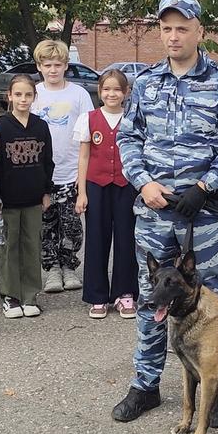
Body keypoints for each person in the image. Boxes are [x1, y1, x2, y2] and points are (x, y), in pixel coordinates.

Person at [111, 0, 218, 423]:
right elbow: (128, 138)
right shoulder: (147, 83)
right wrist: (144, 182)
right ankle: (146, 384)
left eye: (182, 28)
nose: (173, 36)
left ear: (199, 31)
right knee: (152, 298)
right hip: (155, 212)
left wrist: (206, 185)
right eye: (166, 28)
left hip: (204, 215)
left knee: (211, 305)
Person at [31, 39, 94, 293]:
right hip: (43, 174)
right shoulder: (33, 93)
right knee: (47, 224)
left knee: (70, 224)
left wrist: (84, 178)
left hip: (71, 171)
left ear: (66, 66)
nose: (53, 70)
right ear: (39, 66)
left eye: (58, 65)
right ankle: (52, 269)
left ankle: (69, 266)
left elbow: (89, 131)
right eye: (47, 65)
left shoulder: (78, 94)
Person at [75, 68, 138, 319]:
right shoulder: (88, 118)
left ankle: (125, 293)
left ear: (126, 93)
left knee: (126, 240)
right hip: (96, 186)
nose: (111, 94)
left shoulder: (132, 119)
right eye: (106, 89)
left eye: (117, 89)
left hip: (126, 186)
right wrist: (81, 192)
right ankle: (97, 296)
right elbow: (83, 157)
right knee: (97, 240)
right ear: (99, 92)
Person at [0, 74, 54, 319]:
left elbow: (47, 161)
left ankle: (30, 295)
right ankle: (11, 296)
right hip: (7, 200)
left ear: (34, 97)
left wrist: (47, 191)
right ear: (9, 96)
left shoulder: (40, 126)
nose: (23, 99)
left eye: (28, 94)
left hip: (33, 199)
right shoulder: (0, 126)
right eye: (18, 94)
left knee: (31, 246)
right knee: (9, 247)